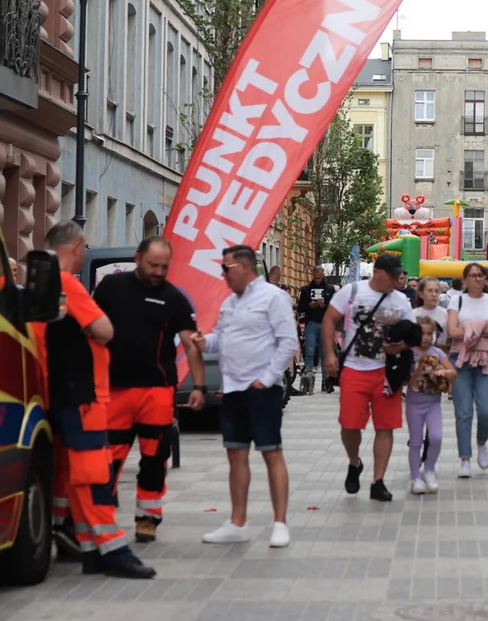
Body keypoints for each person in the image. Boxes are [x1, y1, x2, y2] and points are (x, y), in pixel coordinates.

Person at [35, 221, 155, 579]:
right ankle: (113, 549)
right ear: (77, 247)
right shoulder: (67, 283)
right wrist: (94, 328)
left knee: (73, 475)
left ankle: (89, 548)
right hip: (83, 394)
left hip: (57, 391)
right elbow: (105, 330)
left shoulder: (37, 286)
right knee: (94, 474)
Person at [91, 237, 205, 543]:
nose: (158, 271)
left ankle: (148, 518)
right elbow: (87, 326)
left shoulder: (173, 298)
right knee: (108, 458)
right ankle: (99, 519)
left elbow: (191, 342)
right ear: (137, 258)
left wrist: (199, 385)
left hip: (156, 391)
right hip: (114, 390)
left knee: (155, 457)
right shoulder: (110, 289)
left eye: (164, 267)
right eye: (153, 265)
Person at [194, 245, 297, 547]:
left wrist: (265, 380)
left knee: (271, 451)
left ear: (242, 267)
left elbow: (288, 342)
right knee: (235, 453)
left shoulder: (273, 297)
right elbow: (221, 339)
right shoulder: (230, 303)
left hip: (260, 389)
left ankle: (280, 523)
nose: (222, 274)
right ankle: (238, 522)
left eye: (225, 268)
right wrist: (203, 341)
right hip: (233, 387)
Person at [323, 253, 416, 501]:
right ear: (378, 273)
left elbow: (413, 337)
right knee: (350, 425)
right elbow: (329, 321)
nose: (399, 278)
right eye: (393, 274)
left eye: (400, 274)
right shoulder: (352, 291)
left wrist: (401, 353)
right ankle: (354, 463)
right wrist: (330, 355)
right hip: (354, 368)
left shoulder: (402, 301)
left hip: (387, 373)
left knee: (385, 427)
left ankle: (378, 481)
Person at [447, 263, 488, 479]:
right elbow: (452, 330)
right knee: (463, 412)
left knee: (487, 410)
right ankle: (464, 459)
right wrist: (483, 326)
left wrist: (469, 329)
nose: (477, 279)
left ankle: (482, 441)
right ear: (464, 280)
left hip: (485, 360)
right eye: (472, 276)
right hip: (459, 360)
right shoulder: (457, 300)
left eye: (480, 275)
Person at [405, 317, 455, 495]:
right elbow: (405, 382)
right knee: (415, 442)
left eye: (429, 333)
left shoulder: (437, 353)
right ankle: (415, 478)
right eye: (422, 333)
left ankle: (429, 470)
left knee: (436, 437)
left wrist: (443, 372)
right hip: (414, 404)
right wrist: (417, 373)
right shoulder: (409, 353)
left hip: (433, 404)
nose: (426, 337)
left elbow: (453, 373)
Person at [297, 265, 336, 393]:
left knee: (325, 354)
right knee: (309, 352)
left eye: (320, 278)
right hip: (312, 323)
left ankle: (325, 382)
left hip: (325, 324)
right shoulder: (306, 289)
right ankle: (309, 380)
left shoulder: (330, 289)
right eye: (316, 278)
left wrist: (324, 305)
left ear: (323, 274)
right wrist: (310, 305)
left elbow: (334, 307)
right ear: (313, 275)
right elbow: (301, 307)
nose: (318, 280)